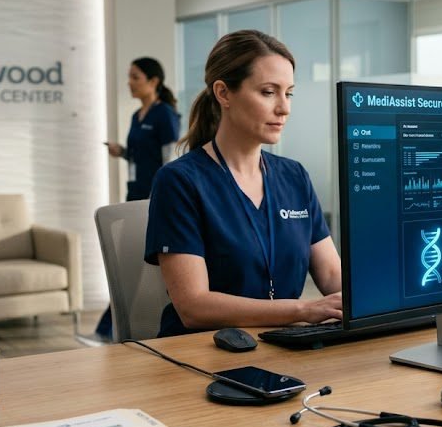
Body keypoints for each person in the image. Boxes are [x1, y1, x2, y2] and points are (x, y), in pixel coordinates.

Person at [144, 30, 342, 337]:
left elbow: (331, 274)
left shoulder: (294, 177)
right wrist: (302, 311)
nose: (284, 108)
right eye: (268, 92)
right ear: (223, 93)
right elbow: (193, 306)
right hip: (203, 352)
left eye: (288, 93)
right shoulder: (179, 181)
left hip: (283, 345)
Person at [94, 57, 180, 340]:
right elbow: (140, 157)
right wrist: (122, 152)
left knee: (140, 267)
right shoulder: (136, 116)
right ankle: (113, 327)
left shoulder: (164, 114)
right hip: (134, 195)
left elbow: (169, 160)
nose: (129, 83)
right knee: (125, 263)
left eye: (135, 77)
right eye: (129, 77)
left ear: (153, 81)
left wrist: (161, 196)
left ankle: (111, 329)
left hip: (155, 199)